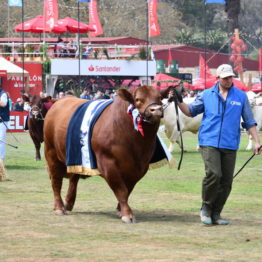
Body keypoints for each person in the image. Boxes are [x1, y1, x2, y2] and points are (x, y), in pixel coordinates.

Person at [169, 64, 262, 225]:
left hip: (230, 143)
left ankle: (216, 214)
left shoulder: (240, 97)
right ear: (217, 78)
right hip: (208, 141)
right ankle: (206, 207)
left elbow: (249, 121)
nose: (228, 80)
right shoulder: (206, 95)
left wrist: (257, 142)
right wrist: (178, 101)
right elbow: (190, 111)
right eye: (225, 77)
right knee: (214, 174)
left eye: (230, 77)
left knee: (226, 182)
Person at [0, 87, 10, 180]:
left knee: (1, 141)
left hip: (2, 121)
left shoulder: (3, 93)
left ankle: (1, 162)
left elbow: (3, 104)